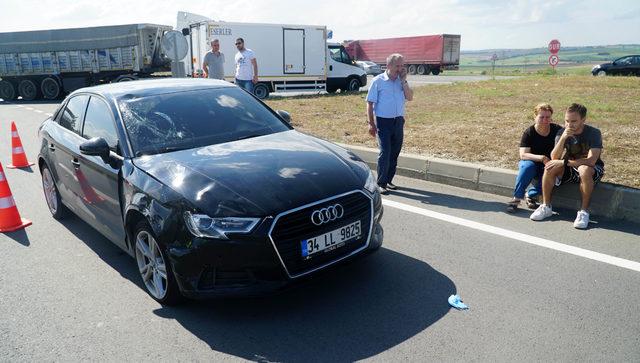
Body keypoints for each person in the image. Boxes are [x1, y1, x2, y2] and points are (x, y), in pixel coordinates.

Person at [530, 103, 605, 229]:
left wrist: (564, 163)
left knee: (584, 169)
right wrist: (563, 138)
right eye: (567, 121)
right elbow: (554, 157)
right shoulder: (562, 132)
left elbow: (591, 161)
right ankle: (546, 206)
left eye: (574, 121)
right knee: (550, 166)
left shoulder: (594, 133)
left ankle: (583, 212)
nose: (570, 124)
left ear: (583, 119)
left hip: (592, 170)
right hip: (571, 168)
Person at [366, 53, 414, 194]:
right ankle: (380, 183)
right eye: (397, 66)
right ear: (388, 66)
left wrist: (404, 81)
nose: (400, 69)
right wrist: (370, 123)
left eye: (402, 65)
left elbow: (410, 98)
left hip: (398, 121)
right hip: (383, 122)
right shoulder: (378, 81)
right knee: (385, 152)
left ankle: (388, 180)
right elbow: (369, 103)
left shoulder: (401, 81)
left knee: (394, 153)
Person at [506, 103, 561, 213]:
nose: (545, 120)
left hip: (549, 164)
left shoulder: (557, 130)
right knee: (527, 167)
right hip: (532, 162)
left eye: (548, 117)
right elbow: (523, 154)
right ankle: (516, 199)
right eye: (541, 117)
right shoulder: (529, 132)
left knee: (551, 177)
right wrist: (541, 158)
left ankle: (530, 194)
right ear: (535, 117)